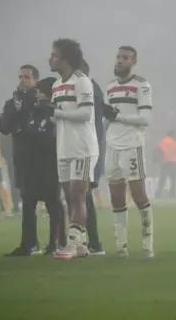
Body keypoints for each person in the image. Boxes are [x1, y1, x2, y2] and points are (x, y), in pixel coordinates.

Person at [40, 38, 98, 260]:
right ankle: (81, 245)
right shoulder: (56, 85)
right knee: (68, 196)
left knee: (77, 195)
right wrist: (50, 115)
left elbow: (85, 114)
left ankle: (72, 245)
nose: (50, 58)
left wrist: (57, 113)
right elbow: (60, 116)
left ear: (65, 58)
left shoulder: (82, 82)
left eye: (54, 55)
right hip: (63, 147)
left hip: (82, 147)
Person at [0, 65, 64, 256]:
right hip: (24, 158)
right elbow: (3, 126)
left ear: (36, 80)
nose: (22, 80)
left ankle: (57, 242)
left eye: (27, 77)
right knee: (27, 202)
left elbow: (45, 129)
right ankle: (29, 244)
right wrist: (19, 120)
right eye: (20, 76)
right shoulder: (12, 103)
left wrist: (22, 127)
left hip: (47, 159)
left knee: (53, 202)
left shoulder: (45, 102)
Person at [103, 46, 154, 258]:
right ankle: (121, 246)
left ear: (134, 61)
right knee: (116, 197)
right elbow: (108, 117)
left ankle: (147, 245)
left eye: (125, 58)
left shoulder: (141, 85)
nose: (119, 61)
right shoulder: (110, 87)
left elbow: (145, 119)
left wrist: (119, 117)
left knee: (139, 194)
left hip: (132, 145)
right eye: (118, 57)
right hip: (112, 146)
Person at [79, 59, 104, 255]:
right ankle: (87, 242)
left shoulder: (90, 91)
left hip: (88, 150)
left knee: (82, 196)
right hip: (87, 149)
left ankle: (93, 243)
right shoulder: (93, 89)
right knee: (80, 196)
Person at [154, 131, 176, 199]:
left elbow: (157, 150)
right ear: (172, 135)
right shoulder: (175, 142)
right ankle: (172, 194)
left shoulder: (162, 142)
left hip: (164, 163)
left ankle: (158, 194)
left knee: (162, 180)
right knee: (173, 180)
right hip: (173, 163)